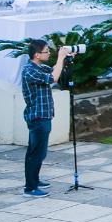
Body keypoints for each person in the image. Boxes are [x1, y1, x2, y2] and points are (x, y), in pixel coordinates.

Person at [20, 40, 71, 197]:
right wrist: (60, 57)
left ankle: (34, 180)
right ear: (37, 55)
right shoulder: (29, 70)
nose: (49, 53)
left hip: (43, 116)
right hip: (38, 117)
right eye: (46, 51)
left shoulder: (38, 67)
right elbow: (53, 79)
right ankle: (30, 188)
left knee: (37, 152)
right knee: (36, 153)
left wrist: (65, 58)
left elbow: (55, 70)